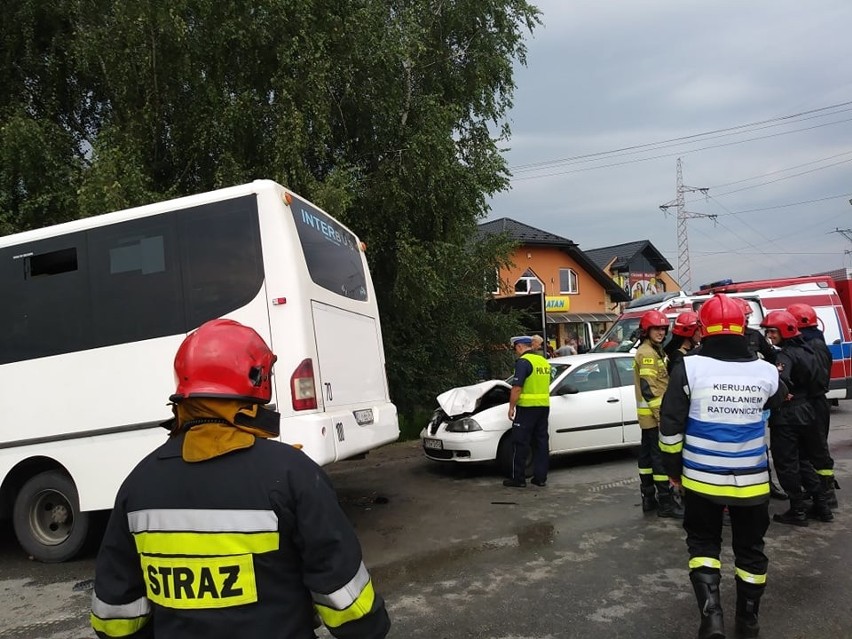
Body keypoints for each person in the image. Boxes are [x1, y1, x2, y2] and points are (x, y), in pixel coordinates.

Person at [90, 319, 391, 639]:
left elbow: (114, 619)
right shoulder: (292, 474)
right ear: (256, 380)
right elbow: (351, 607)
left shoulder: (138, 486)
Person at [660, 294, 786, 639]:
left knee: (703, 545)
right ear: (743, 327)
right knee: (751, 551)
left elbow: (670, 427)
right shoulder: (764, 370)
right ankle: (748, 620)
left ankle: (711, 619)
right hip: (753, 482)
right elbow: (780, 398)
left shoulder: (688, 367)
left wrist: (674, 471)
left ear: (702, 330)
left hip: (700, 479)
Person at [761, 310, 834, 526]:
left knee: (786, 463)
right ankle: (822, 505)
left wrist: (779, 396)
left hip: (788, 415)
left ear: (784, 330)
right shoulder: (809, 349)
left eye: (773, 331)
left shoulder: (785, 355)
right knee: (803, 460)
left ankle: (798, 510)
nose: (770, 336)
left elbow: (780, 382)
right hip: (809, 410)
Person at [787, 302, 839, 509]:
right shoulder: (816, 341)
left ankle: (826, 495)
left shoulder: (810, 345)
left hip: (812, 402)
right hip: (815, 401)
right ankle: (819, 490)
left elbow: (813, 378)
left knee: (816, 450)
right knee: (812, 449)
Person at [735, 298, 786, 501]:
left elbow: (772, 356)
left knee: (758, 444)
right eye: (743, 316)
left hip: (754, 398)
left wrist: (774, 370)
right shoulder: (723, 338)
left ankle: (767, 483)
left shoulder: (754, 335)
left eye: (748, 317)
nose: (746, 320)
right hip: (731, 398)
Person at [633, 309, 683, 518]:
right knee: (660, 460)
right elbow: (650, 388)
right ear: (646, 330)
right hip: (655, 417)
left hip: (649, 418)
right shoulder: (647, 354)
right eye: (656, 329)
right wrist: (661, 416)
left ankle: (648, 498)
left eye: (663, 329)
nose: (661, 332)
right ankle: (665, 504)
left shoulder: (654, 350)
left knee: (646, 460)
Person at [504, 335, 551, 488]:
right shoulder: (544, 362)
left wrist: (511, 407)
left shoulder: (523, 362)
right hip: (543, 407)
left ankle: (518, 478)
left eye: (515, 349)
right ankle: (540, 478)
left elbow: (517, 388)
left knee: (520, 442)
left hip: (526, 409)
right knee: (541, 442)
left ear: (519, 347)